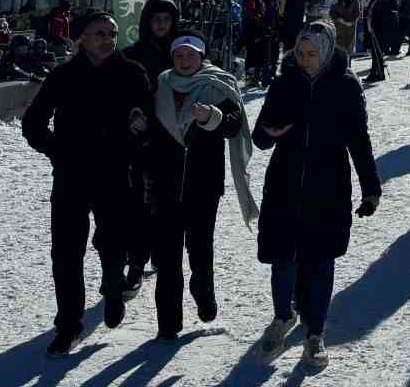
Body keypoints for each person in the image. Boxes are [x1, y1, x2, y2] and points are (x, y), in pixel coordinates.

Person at [22, 10, 152, 356]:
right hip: (71, 176)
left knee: (112, 242)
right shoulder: (64, 76)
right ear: (81, 38)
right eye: (99, 33)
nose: (108, 39)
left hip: (114, 173)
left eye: (111, 33)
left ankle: (113, 287)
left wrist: (137, 135)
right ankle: (67, 325)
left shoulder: (132, 73)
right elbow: (33, 123)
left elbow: (146, 120)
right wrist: (56, 151)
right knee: (66, 252)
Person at [253, 23, 381, 368]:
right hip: (284, 184)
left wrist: (371, 188)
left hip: (328, 186)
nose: (305, 60)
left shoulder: (346, 86)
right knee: (283, 259)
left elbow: (359, 139)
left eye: (312, 54)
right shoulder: (283, 84)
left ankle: (315, 334)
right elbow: (260, 137)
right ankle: (283, 318)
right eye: (300, 53)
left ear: (325, 53)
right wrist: (269, 129)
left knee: (321, 261)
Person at [144, 32, 257, 341]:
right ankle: (168, 323)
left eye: (190, 55)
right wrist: (140, 127)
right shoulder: (161, 85)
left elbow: (235, 124)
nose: (184, 61)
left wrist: (213, 116)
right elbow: (151, 129)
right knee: (167, 256)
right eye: (179, 55)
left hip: (203, 183)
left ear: (201, 56)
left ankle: (203, 291)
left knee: (200, 247)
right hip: (165, 182)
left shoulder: (217, 84)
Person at [122, 0, 181, 289]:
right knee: (137, 202)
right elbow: (120, 95)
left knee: (166, 202)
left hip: (171, 138)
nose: (161, 24)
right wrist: (131, 115)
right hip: (138, 138)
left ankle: (159, 253)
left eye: (167, 19)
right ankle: (135, 262)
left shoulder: (181, 53)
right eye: (156, 19)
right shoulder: (132, 54)